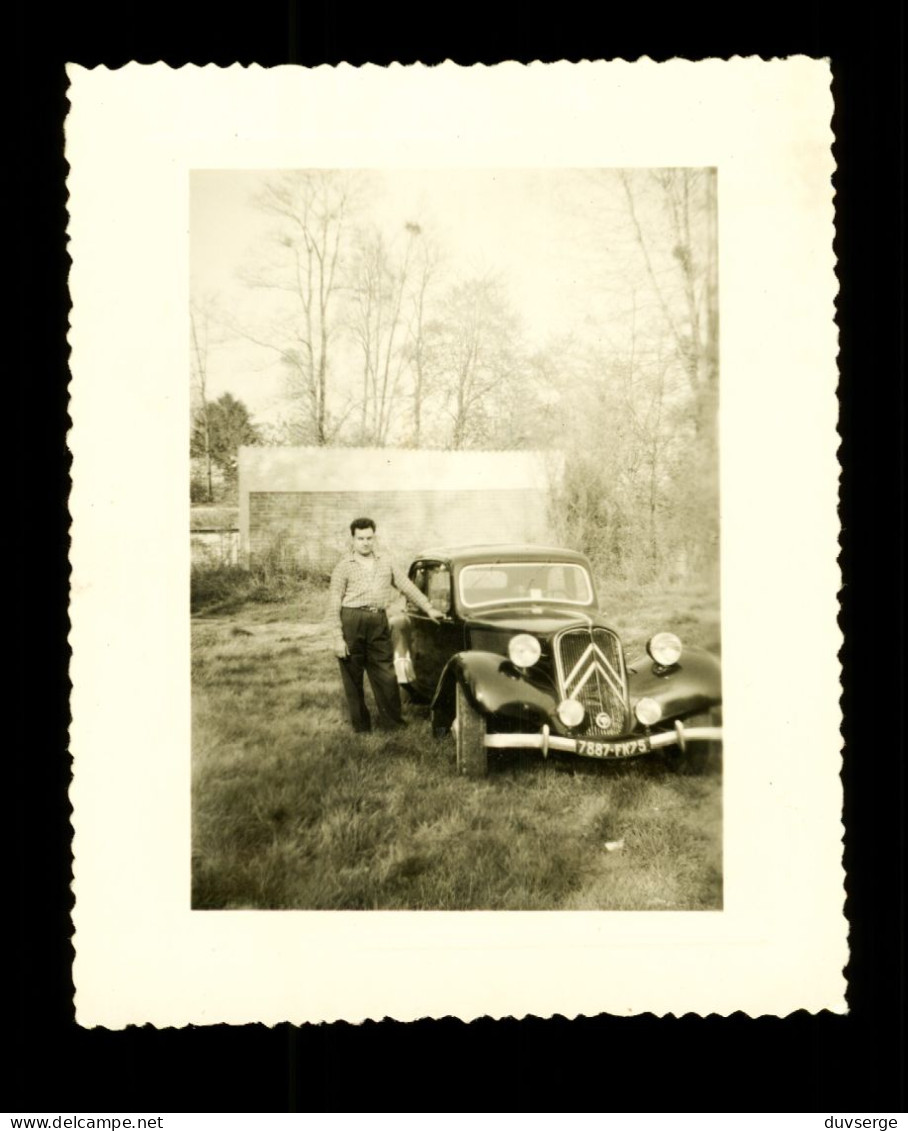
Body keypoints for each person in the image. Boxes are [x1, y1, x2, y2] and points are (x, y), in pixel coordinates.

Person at [328, 517, 444, 733]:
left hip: (378, 621)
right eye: (360, 538)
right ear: (352, 539)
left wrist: (428, 608)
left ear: (374, 538)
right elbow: (334, 601)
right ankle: (362, 729)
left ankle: (393, 725)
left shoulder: (386, 562)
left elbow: (407, 587)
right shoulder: (343, 567)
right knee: (353, 678)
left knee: (386, 674)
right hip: (351, 620)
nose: (365, 542)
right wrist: (337, 636)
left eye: (369, 538)